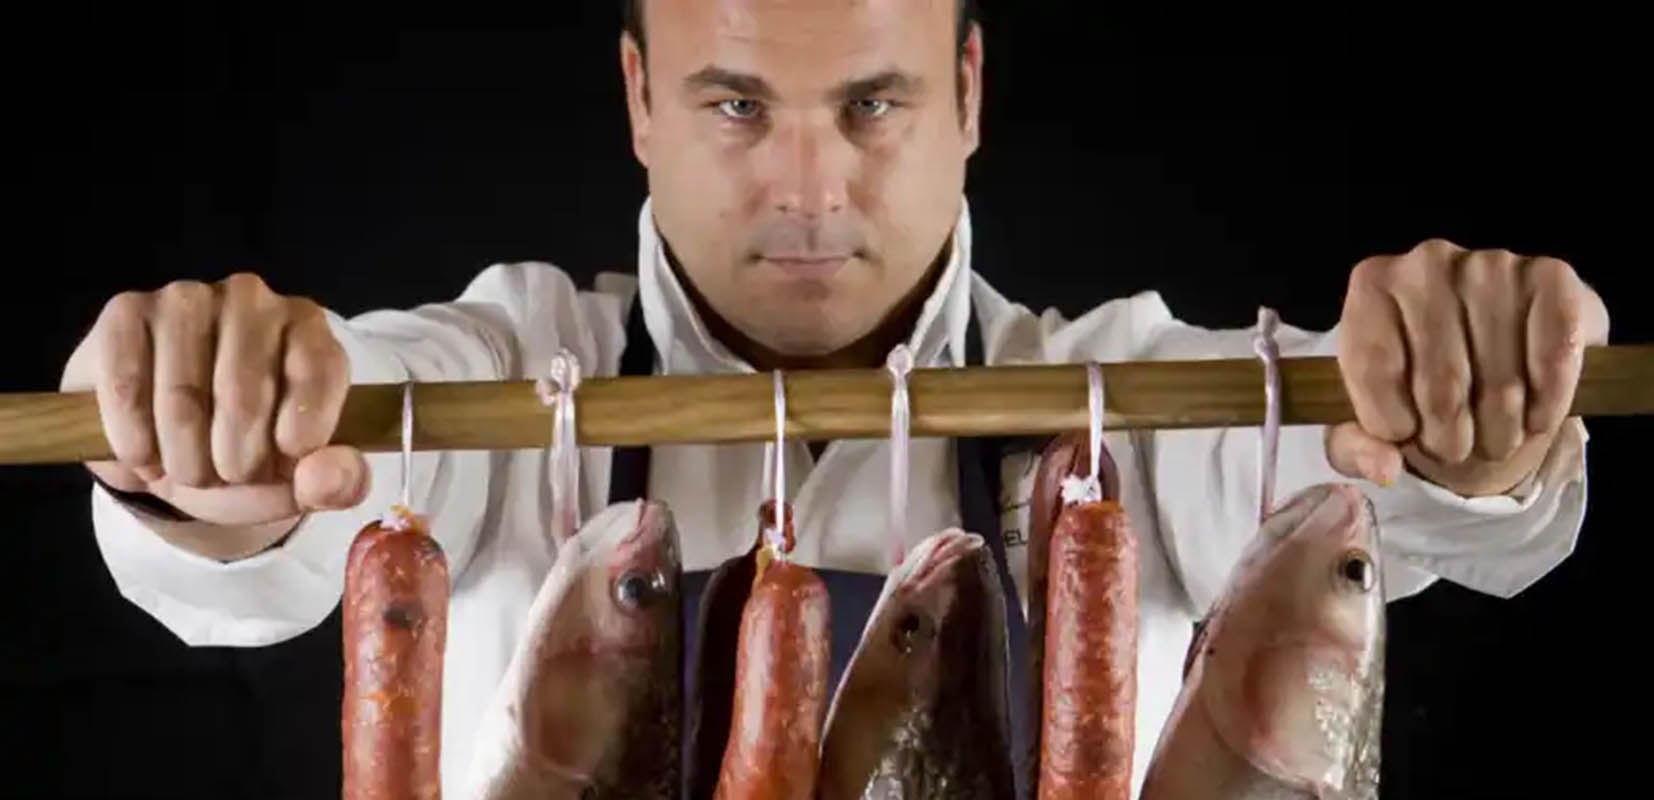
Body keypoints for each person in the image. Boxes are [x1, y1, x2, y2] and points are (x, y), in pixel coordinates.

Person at [59, 0, 1608, 796]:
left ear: (969, 94)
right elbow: (311, 467)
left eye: (872, 103)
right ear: (638, 101)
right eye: (737, 103)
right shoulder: (508, 372)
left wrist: (1459, 413)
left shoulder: (1126, 399)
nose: (806, 187)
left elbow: (1376, 492)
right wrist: (203, 431)